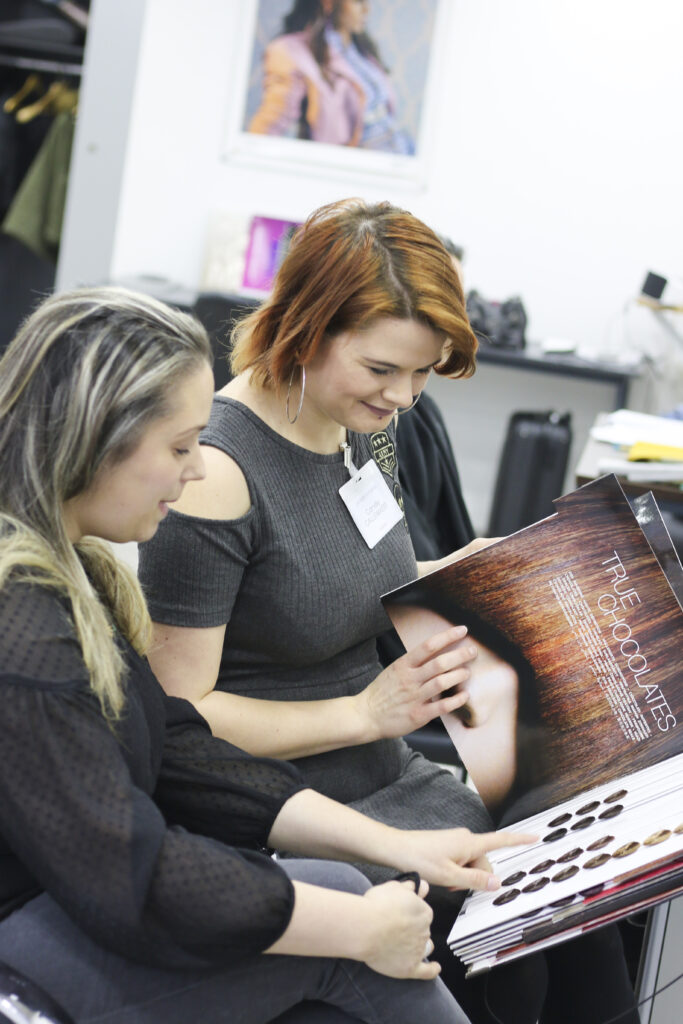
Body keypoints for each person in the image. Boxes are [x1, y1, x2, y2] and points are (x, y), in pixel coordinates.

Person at [139, 199, 641, 1024]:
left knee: (585, 905)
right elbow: (179, 716)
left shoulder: (360, 432)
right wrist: (363, 711)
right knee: (507, 948)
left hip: (391, 772)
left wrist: (469, 570)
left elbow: (344, 577)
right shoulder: (219, 474)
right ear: (305, 328)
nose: (406, 397)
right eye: (382, 369)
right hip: (288, 807)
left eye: (422, 372)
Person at [0, 285, 537, 1024]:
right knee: (351, 934)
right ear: (97, 437)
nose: (195, 472)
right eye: (181, 447)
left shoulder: (72, 575)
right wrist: (359, 928)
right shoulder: (24, 625)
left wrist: (401, 848)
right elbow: (130, 871)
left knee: (354, 906)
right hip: (28, 935)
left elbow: (182, 751)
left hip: (78, 893)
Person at [248, 0, 414, 153]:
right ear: (328, 3)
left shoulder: (362, 51)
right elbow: (274, 119)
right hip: (360, 159)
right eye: (358, 1)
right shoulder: (292, 51)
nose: (366, 10)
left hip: (401, 147)